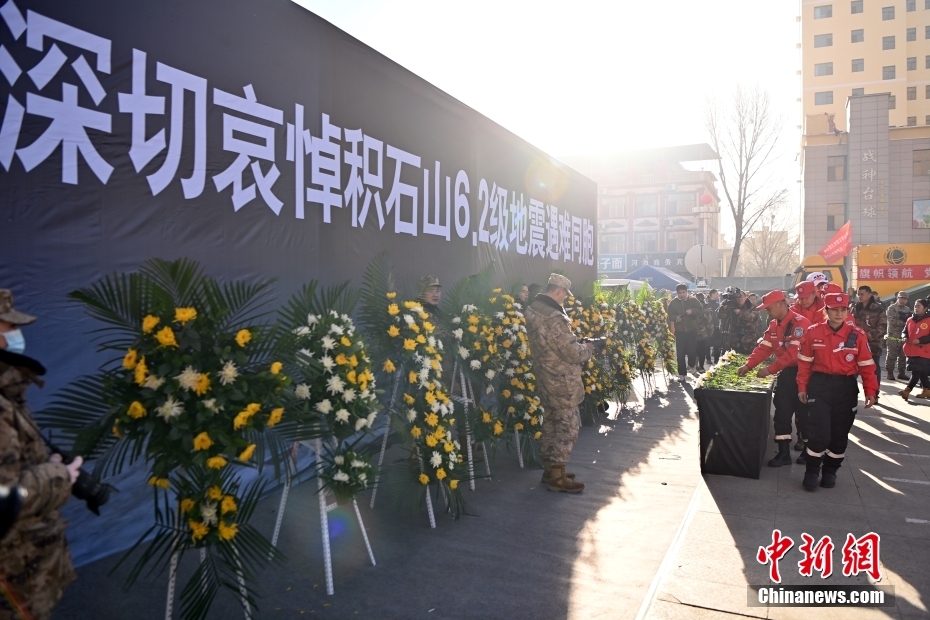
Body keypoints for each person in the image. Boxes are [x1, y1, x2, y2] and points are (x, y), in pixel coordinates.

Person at [0, 294, 82, 620]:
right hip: (12, 576)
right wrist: (60, 476)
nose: (15, 336)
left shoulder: (7, 390)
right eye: (8, 327)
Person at [797, 293, 878, 491]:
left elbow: (867, 366)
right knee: (820, 434)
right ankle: (812, 470)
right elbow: (804, 363)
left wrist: (871, 390)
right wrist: (802, 387)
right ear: (826, 311)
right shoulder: (813, 332)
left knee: (839, 436)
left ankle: (830, 471)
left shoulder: (857, 335)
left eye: (843, 310)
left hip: (846, 388)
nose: (839, 313)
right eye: (834, 310)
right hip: (820, 386)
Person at [524, 274, 593, 493]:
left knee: (551, 422)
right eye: (564, 295)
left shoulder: (533, 309)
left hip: (545, 376)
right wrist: (588, 349)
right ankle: (557, 477)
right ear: (559, 292)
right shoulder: (554, 317)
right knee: (568, 427)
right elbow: (571, 352)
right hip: (562, 381)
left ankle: (549, 469)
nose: (564, 299)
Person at [737, 291, 812, 466]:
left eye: (769, 308)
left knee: (805, 415)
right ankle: (783, 452)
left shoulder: (800, 324)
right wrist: (749, 365)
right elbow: (764, 348)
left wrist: (770, 369)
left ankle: (809, 452)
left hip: (803, 374)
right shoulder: (773, 325)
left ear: (780, 304)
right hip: (786, 374)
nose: (767, 312)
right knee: (782, 413)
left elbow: (794, 355)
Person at [852, 285, 886, 390]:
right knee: (853, 369)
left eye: (862, 294)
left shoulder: (878, 309)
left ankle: (874, 393)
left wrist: (867, 336)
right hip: (855, 344)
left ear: (869, 295)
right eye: (858, 294)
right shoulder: (854, 308)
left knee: (874, 369)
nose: (859, 296)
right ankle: (848, 393)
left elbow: (883, 327)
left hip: (873, 344)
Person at [666, 284, 703, 379]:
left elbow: (700, 311)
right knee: (680, 354)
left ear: (687, 292)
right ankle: (682, 373)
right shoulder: (674, 303)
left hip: (692, 331)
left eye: (683, 292)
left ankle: (692, 366)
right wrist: (675, 318)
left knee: (692, 351)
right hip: (680, 332)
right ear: (677, 293)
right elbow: (670, 315)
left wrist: (692, 311)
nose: (681, 295)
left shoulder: (693, 300)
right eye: (679, 293)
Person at [899, 298, 930, 400]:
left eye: (919, 306)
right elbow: (905, 331)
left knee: (916, 371)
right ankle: (927, 389)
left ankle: (907, 390)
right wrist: (904, 337)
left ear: (925, 308)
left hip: (923, 351)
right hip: (911, 350)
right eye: (915, 306)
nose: (916, 308)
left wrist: (921, 340)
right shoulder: (910, 319)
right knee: (921, 372)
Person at [886, 291, 911, 382]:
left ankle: (901, 373)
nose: (903, 300)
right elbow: (892, 321)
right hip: (893, 334)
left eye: (905, 299)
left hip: (903, 335)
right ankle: (890, 372)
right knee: (892, 354)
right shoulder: (891, 308)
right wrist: (905, 323)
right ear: (898, 298)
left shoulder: (907, 309)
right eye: (901, 298)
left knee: (903, 355)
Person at [694, 293, 713, 369]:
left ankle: (694, 365)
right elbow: (709, 321)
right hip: (703, 333)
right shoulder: (706, 308)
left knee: (694, 350)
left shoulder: (693, 308)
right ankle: (701, 366)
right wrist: (710, 332)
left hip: (693, 332)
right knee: (702, 350)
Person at [707, 289, 721, 364]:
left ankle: (716, 358)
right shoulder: (707, 304)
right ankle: (708, 359)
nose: (717, 295)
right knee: (707, 344)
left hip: (716, 326)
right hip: (708, 327)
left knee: (717, 344)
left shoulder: (718, 305)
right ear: (712, 294)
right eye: (716, 294)